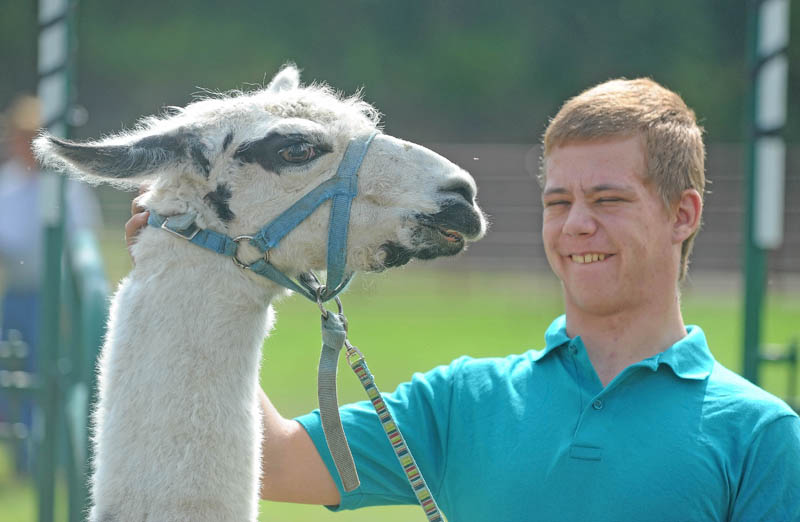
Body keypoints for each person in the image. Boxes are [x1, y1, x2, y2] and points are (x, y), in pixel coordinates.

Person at [126, 78, 800, 520]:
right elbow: (273, 459)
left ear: (683, 215)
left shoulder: (762, 437)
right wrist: (206, 265)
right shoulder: (464, 403)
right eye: (558, 201)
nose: (576, 226)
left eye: (609, 200)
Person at [0, 95, 101, 473]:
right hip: (17, 293)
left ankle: (55, 457)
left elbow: (80, 240)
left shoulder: (65, 186)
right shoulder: (7, 184)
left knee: (54, 374)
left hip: (55, 296)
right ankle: (25, 461)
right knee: (14, 375)